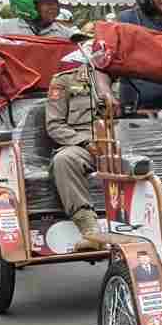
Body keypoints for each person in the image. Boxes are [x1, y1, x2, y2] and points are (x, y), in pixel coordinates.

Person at [46, 38, 117, 251]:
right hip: (85, 143)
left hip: (124, 140)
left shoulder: (130, 80)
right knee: (64, 159)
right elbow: (55, 125)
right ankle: (90, 230)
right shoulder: (64, 81)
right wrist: (85, 142)